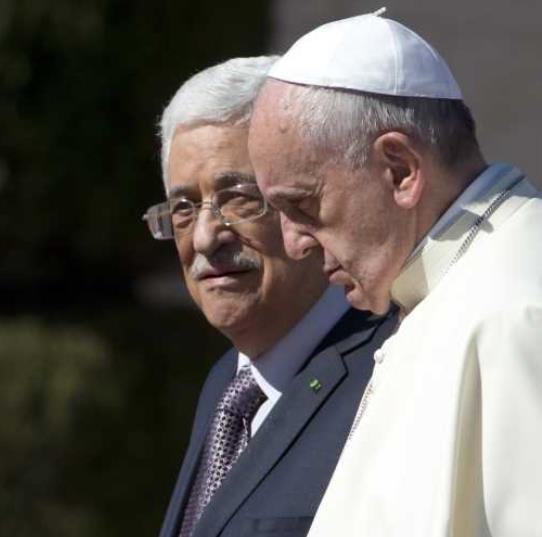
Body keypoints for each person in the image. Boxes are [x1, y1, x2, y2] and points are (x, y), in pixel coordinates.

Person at [249, 12, 542, 537]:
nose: (292, 244)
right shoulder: (437, 292)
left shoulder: (515, 312)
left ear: (400, 170)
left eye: (302, 204)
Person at [144, 56, 396, 537]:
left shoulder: (388, 375)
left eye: (238, 197)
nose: (203, 237)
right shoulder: (229, 385)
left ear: (301, 200)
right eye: (182, 208)